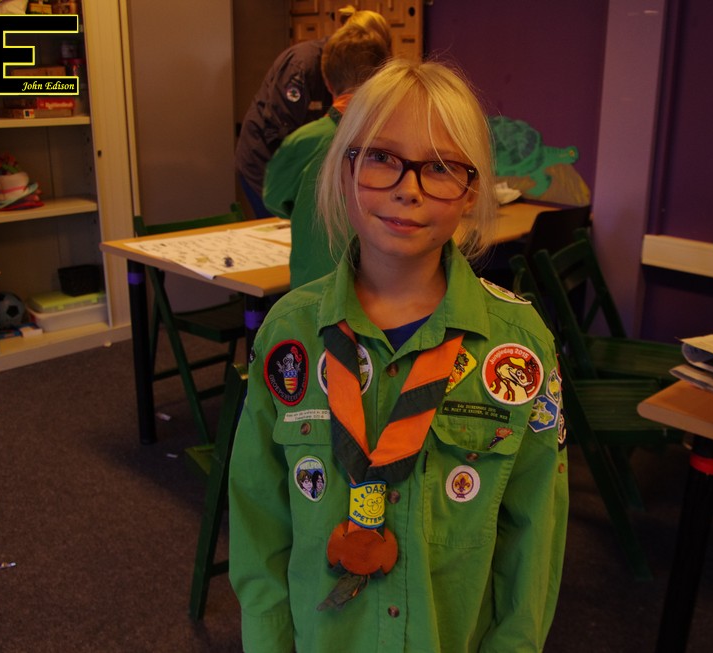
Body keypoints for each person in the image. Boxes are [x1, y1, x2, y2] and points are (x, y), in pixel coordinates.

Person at [229, 59, 569, 652]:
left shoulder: (518, 345)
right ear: (345, 170)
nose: (408, 188)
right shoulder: (289, 333)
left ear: (470, 191)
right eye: (382, 157)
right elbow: (259, 520)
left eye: (440, 167)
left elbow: (533, 539)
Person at [263, 22, 391, 288]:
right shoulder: (399, 139)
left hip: (312, 292)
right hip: (383, 290)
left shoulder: (304, 142)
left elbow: (274, 200)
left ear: (327, 81)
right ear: (385, 76)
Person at [235, 8, 391, 218]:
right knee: (283, 225)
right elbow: (281, 134)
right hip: (266, 161)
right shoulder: (302, 65)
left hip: (308, 163)